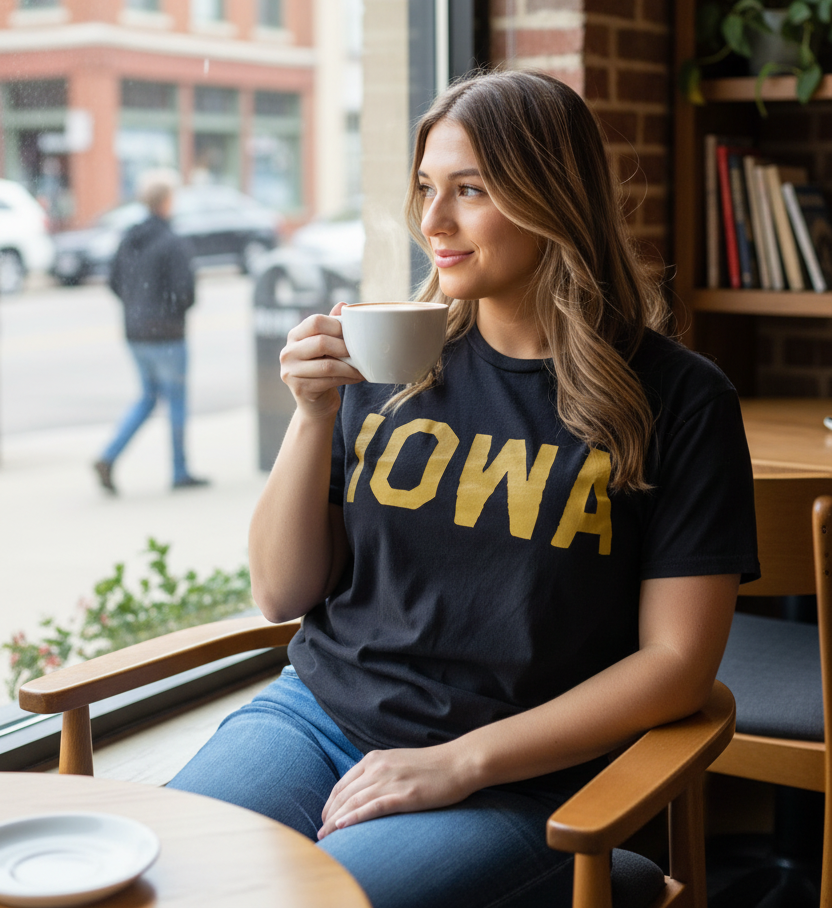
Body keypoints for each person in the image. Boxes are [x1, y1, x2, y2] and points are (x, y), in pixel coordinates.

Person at [168, 71, 758, 908]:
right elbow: (280, 592)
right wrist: (311, 416)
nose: (433, 222)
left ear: (553, 199)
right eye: (425, 189)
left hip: (517, 772)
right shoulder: (390, 360)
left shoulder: (679, 398)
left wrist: (458, 762)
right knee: (168, 874)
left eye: (469, 190)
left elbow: (676, 666)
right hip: (316, 717)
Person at [93, 169, 209, 494]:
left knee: (147, 397)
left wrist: (137, 308)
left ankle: (109, 455)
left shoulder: (129, 238)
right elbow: (186, 292)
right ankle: (179, 470)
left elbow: (114, 281)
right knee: (175, 401)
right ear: (167, 200)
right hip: (167, 334)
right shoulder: (172, 241)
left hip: (135, 333)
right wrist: (168, 312)